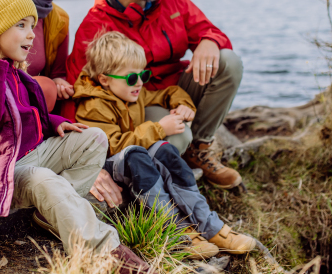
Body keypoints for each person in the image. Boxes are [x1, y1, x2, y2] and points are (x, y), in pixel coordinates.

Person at [0, 0, 151, 273]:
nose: (31, 35)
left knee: (94, 138)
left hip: (23, 158)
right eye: (21, 26)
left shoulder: (13, 72)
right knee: (43, 179)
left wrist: (56, 122)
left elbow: (24, 117)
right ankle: (103, 253)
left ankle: (51, 213)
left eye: (31, 26)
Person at [65, 0, 244, 206]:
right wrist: (88, 162)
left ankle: (200, 149)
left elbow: (210, 31)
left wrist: (209, 40)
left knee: (228, 62)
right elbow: (77, 91)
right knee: (177, 135)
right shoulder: (94, 26)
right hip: (137, 103)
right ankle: (159, 191)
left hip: (178, 91)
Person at [73, 32, 256, 259]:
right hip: (108, 164)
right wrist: (159, 128)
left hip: (130, 156)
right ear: (104, 79)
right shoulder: (93, 106)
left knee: (165, 150)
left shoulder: (132, 93)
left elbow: (165, 93)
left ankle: (211, 227)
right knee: (137, 155)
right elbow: (113, 146)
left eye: (143, 75)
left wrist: (182, 103)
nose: (140, 82)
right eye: (132, 78)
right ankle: (174, 231)